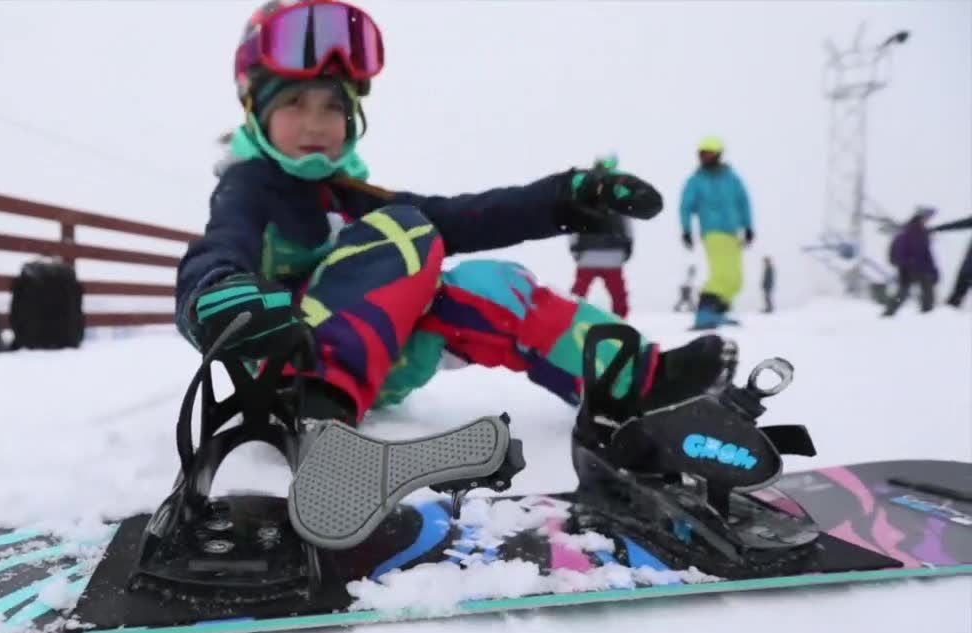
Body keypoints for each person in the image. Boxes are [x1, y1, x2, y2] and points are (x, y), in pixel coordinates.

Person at [177, 0, 736, 434]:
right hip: (281, 367)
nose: (316, 124)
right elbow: (220, 245)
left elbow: (467, 216)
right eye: (294, 105)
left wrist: (566, 196)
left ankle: (636, 382)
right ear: (254, 111)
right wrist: (219, 292)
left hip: (359, 373)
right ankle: (313, 401)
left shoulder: (349, 195)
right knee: (406, 227)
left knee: (493, 286)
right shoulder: (250, 185)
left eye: (333, 107)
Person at [680, 136, 753, 329]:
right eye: (702, 154)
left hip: (733, 231)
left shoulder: (732, 178)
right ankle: (705, 312)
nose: (705, 158)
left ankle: (717, 311)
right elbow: (686, 206)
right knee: (721, 275)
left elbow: (743, 202)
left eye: (710, 153)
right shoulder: (696, 180)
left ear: (719, 154)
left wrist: (748, 226)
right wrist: (686, 229)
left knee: (737, 279)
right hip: (713, 231)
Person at [569, 154, 632, 317]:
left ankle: (572, 322)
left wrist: (575, 249)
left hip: (587, 255)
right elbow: (626, 223)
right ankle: (620, 325)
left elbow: (573, 222)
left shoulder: (583, 194)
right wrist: (628, 246)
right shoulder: (618, 194)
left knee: (577, 295)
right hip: (613, 255)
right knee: (619, 297)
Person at [882, 206, 939, 316]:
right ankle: (889, 314)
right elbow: (899, 250)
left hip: (919, 268)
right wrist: (905, 263)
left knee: (925, 290)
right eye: (926, 217)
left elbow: (927, 254)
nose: (927, 220)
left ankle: (927, 315)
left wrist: (934, 271)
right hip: (907, 268)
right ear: (919, 217)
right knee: (905, 291)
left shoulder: (923, 233)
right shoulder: (909, 232)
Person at [928, 214, 972, 308]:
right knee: (959, 290)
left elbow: (960, 224)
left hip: (968, 269)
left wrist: (937, 228)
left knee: (960, 289)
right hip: (968, 269)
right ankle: (950, 308)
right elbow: (959, 224)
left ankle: (951, 306)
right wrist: (937, 228)